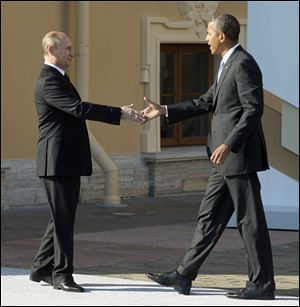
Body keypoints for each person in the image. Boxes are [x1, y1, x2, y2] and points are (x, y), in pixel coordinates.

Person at [142, 14, 275, 300]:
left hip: (237, 158)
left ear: (222, 36)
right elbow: (205, 102)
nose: (206, 38)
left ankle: (262, 285)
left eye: (209, 34)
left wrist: (229, 144)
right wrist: (164, 111)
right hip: (221, 160)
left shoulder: (243, 64)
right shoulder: (226, 64)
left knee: (250, 222)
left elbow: (253, 110)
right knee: (208, 218)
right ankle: (184, 274)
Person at [29, 31, 145, 292]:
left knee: (62, 216)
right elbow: (78, 108)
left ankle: (40, 268)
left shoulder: (59, 77)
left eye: (72, 48)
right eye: (67, 49)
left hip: (64, 160)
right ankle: (62, 275)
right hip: (55, 161)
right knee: (63, 219)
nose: (72, 52)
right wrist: (120, 113)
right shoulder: (49, 81)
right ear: (51, 50)